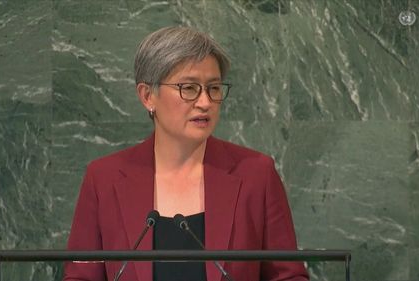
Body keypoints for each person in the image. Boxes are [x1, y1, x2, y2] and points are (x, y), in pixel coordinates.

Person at [64, 26, 309, 281]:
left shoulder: (256, 175)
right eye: (189, 88)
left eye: (213, 88)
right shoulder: (103, 179)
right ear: (148, 96)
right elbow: (81, 277)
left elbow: (288, 277)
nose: (205, 102)